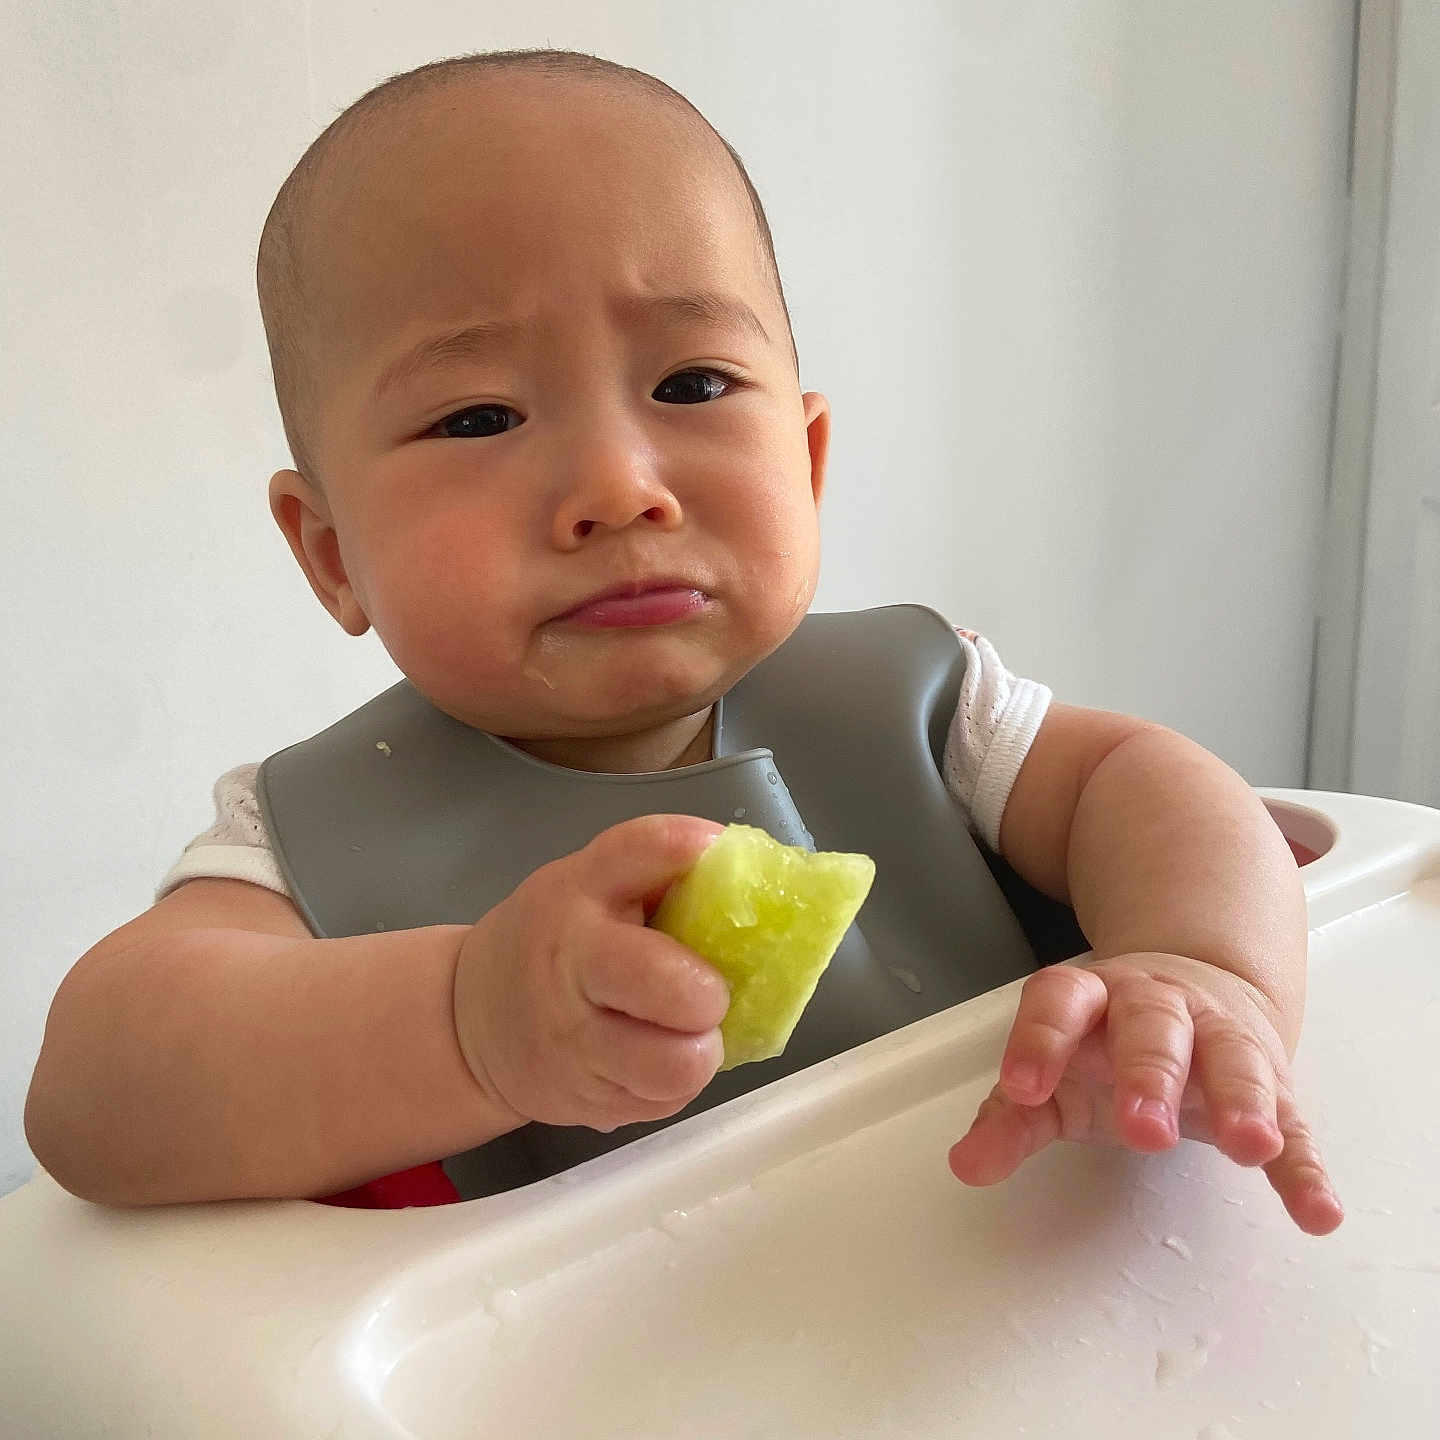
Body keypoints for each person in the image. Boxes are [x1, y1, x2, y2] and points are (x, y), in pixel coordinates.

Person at [24, 49, 1342, 1235]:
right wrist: (469, 1021)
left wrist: (1201, 966)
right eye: (479, 417)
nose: (618, 484)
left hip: (1025, 1273)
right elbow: (94, 1094)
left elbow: (1161, 789)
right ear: (331, 553)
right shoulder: (309, 829)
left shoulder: (919, 704)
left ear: (807, 459)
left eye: (693, 386)